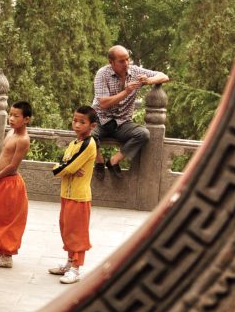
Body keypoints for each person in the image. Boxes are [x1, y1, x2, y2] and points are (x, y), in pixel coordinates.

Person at [92, 45, 170, 178]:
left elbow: (164, 76)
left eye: (128, 59)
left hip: (122, 122)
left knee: (143, 134)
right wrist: (126, 91)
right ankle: (99, 161)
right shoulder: (102, 74)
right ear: (111, 62)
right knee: (88, 135)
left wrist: (148, 80)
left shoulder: (134, 71)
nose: (126, 64)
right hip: (101, 119)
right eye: (121, 61)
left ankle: (114, 161)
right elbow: (103, 103)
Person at [50, 106, 99, 284]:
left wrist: (64, 169)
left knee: (78, 233)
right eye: (75, 120)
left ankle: (76, 268)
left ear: (92, 125)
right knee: (66, 229)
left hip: (79, 196)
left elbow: (65, 167)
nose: (77, 125)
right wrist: (66, 168)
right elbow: (63, 163)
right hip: (66, 193)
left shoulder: (88, 144)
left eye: (82, 122)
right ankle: (69, 263)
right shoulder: (74, 144)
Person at [0, 101, 32, 268]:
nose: (12, 118)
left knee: (8, 219)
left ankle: (6, 255)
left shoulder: (23, 139)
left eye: (16, 116)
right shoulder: (10, 133)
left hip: (10, 182)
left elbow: (13, 166)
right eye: (11, 114)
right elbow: (2, 156)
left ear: (26, 119)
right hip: (0, 179)